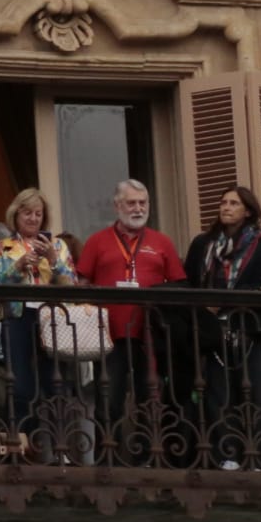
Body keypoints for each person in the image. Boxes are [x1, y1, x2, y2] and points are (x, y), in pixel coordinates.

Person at [75, 179, 186, 440]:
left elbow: (179, 286)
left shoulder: (162, 242)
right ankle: (107, 464)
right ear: (117, 206)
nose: (138, 208)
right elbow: (81, 284)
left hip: (151, 335)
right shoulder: (97, 241)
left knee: (150, 400)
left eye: (143, 203)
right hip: (108, 335)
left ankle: (148, 461)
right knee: (109, 401)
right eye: (131, 203)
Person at [184, 185, 261, 470]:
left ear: (247, 211)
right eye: (223, 202)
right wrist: (204, 306)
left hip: (255, 329)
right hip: (215, 331)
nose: (226, 207)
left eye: (234, 203)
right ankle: (228, 455)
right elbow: (191, 281)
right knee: (219, 395)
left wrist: (225, 300)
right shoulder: (204, 243)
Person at [0, 188, 79, 452]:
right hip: (17, 316)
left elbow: (71, 285)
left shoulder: (58, 246)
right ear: (16, 215)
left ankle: (62, 451)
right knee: (21, 385)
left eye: (38, 214)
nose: (33, 218)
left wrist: (53, 261)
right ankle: (25, 446)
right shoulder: (3, 247)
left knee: (56, 384)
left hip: (51, 317)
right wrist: (17, 266)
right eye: (28, 213)